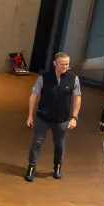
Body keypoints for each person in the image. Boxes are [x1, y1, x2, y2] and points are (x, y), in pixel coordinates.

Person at [25, 51, 79, 182]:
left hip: (61, 120)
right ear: (55, 63)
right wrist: (30, 116)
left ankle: (58, 167)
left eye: (67, 64)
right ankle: (31, 168)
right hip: (43, 118)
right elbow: (33, 95)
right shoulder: (44, 77)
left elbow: (77, 98)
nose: (65, 67)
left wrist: (74, 117)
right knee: (36, 144)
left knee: (59, 145)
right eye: (62, 64)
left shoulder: (73, 79)